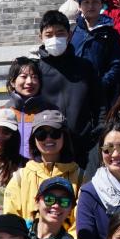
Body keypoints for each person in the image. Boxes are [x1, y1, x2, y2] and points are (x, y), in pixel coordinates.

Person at [37, 10, 102, 160]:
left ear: (70, 35)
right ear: (40, 37)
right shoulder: (36, 70)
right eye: (49, 34)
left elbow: (100, 104)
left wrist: (98, 132)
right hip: (47, 146)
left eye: (60, 33)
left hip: (83, 146)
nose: (55, 38)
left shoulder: (85, 67)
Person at [2, 111, 83, 226]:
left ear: (64, 136)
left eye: (55, 133)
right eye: (41, 134)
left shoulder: (80, 177)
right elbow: (11, 220)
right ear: (33, 139)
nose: (48, 139)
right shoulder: (20, 177)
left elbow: (81, 222)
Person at [72, 0, 120, 103]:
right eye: (86, 2)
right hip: (76, 90)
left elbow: (116, 64)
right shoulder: (73, 31)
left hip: (101, 93)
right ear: (80, 7)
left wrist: (102, 84)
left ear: (101, 5)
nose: (91, 6)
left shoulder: (110, 33)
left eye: (95, 2)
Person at [2, 56, 50, 159]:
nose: (29, 81)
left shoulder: (49, 112)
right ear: (12, 82)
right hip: (10, 170)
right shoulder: (2, 112)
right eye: (23, 76)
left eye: (34, 77)